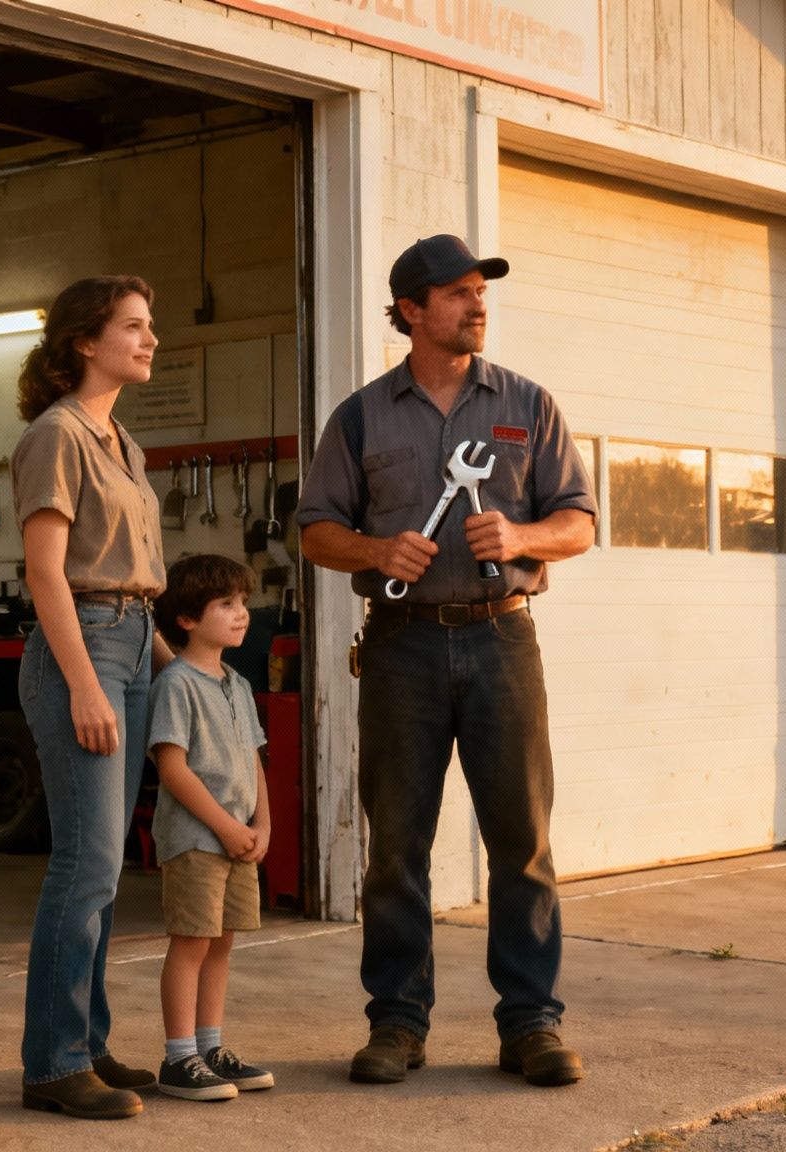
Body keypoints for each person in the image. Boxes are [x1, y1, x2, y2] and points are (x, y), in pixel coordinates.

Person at [296, 234, 597, 1088]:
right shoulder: (360, 417)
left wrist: (525, 534)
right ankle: (397, 1022)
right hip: (402, 646)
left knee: (522, 841)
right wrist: (373, 550)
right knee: (396, 844)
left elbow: (579, 520)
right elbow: (315, 529)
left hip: (504, 637)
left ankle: (530, 1023)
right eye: (458, 294)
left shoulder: (528, 405)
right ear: (411, 311)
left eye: (480, 292)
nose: (477, 306)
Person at [12, 275, 175, 1120]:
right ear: (86, 341)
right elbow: (48, 573)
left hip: (134, 643)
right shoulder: (57, 435)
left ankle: (90, 1044)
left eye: (151, 328)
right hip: (81, 649)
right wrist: (83, 682)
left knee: (107, 871)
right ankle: (53, 1062)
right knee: (87, 861)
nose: (151, 341)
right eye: (135, 327)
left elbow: (135, 578)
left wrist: (172, 662)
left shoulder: (123, 444)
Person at [146, 554, 276, 1102]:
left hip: (237, 838)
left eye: (243, 602)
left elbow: (253, 760)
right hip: (198, 840)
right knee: (192, 942)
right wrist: (226, 826)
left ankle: (209, 1046)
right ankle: (179, 1058)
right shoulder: (177, 683)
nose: (241, 613)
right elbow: (171, 768)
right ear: (187, 619)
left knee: (221, 944)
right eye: (226, 604)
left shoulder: (237, 683)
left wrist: (262, 824)